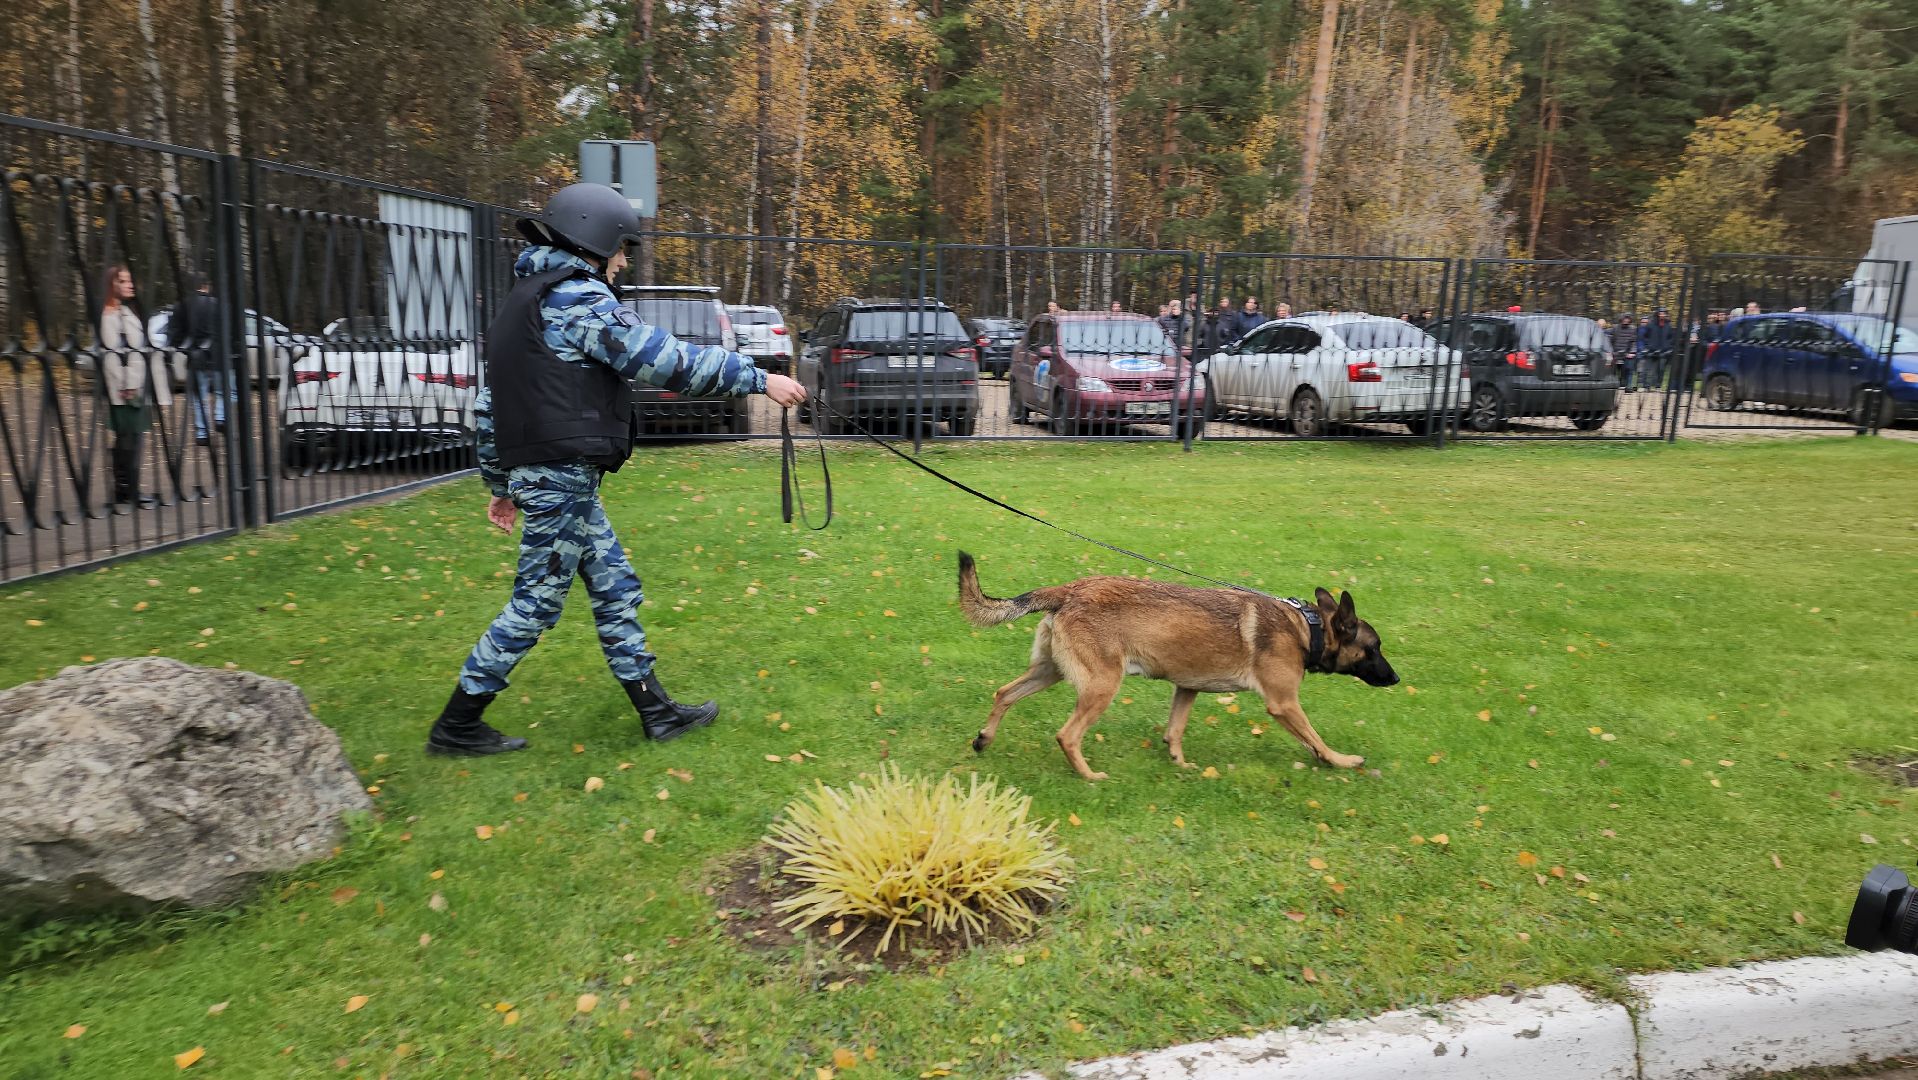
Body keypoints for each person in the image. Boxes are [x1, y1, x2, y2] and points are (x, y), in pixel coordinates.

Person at [426, 182, 807, 758]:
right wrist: (759, 378)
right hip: (560, 480)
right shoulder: (577, 299)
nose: (624, 261)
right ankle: (457, 724)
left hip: (559, 479)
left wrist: (502, 485)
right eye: (622, 248)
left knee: (614, 585)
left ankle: (657, 712)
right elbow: (665, 360)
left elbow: (489, 407)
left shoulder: (523, 302)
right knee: (536, 603)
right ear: (593, 240)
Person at [96, 264, 169, 510]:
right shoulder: (110, 315)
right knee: (128, 440)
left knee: (131, 440)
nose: (130, 285)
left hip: (137, 386)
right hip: (127, 390)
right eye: (123, 281)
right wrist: (126, 387)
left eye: (130, 280)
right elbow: (112, 356)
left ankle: (126, 489)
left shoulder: (126, 311)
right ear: (112, 285)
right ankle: (127, 490)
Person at [170, 272, 233, 446]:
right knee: (223, 391)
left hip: (196, 358)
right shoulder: (219, 305)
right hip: (219, 357)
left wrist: (186, 350)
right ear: (206, 286)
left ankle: (202, 433)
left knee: (199, 397)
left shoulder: (181, 306)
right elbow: (227, 332)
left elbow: (175, 336)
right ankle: (220, 417)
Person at [1634, 309, 1677, 392]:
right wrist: (1648, 346)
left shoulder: (1668, 326)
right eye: (1660, 313)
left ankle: (1658, 386)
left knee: (1661, 370)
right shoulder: (1651, 325)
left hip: (1663, 351)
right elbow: (1645, 336)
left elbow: (1671, 338)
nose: (1662, 315)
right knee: (1647, 369)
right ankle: (1646, 386)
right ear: (1657, 314)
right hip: (1651, 350)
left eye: (1663, 313)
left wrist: (1668, 347)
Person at [1610, 313, 1638, 389]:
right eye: (1624, 319)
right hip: (1616, 352)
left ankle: (1626, 386)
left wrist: (1632, 352)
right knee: (1614, 370)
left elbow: (1634, 341)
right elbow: (1611, 340)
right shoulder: (1615, 328)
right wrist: (1611, 351)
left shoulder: (1633, 329)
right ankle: (1614, 385)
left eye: (1627, 319)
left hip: (1627, 353)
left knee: (1627, 369)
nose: (1626, 320)